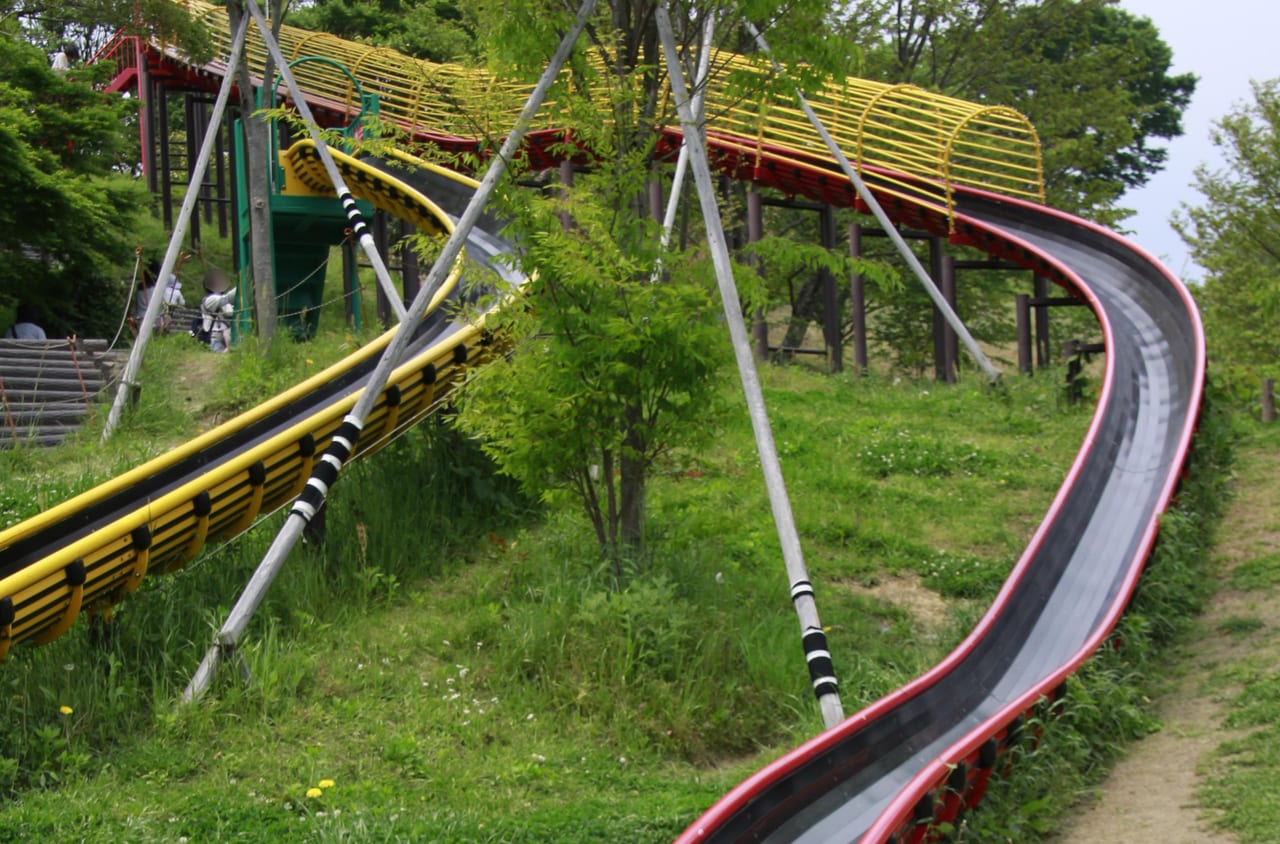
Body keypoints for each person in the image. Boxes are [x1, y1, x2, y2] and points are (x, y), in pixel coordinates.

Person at [200, 270, 236, 353]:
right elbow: (228, 298)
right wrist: (243, 286)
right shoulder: (210, 300)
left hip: (227, 334)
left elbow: (230, 312)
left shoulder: (223, 300)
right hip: (216, 336)